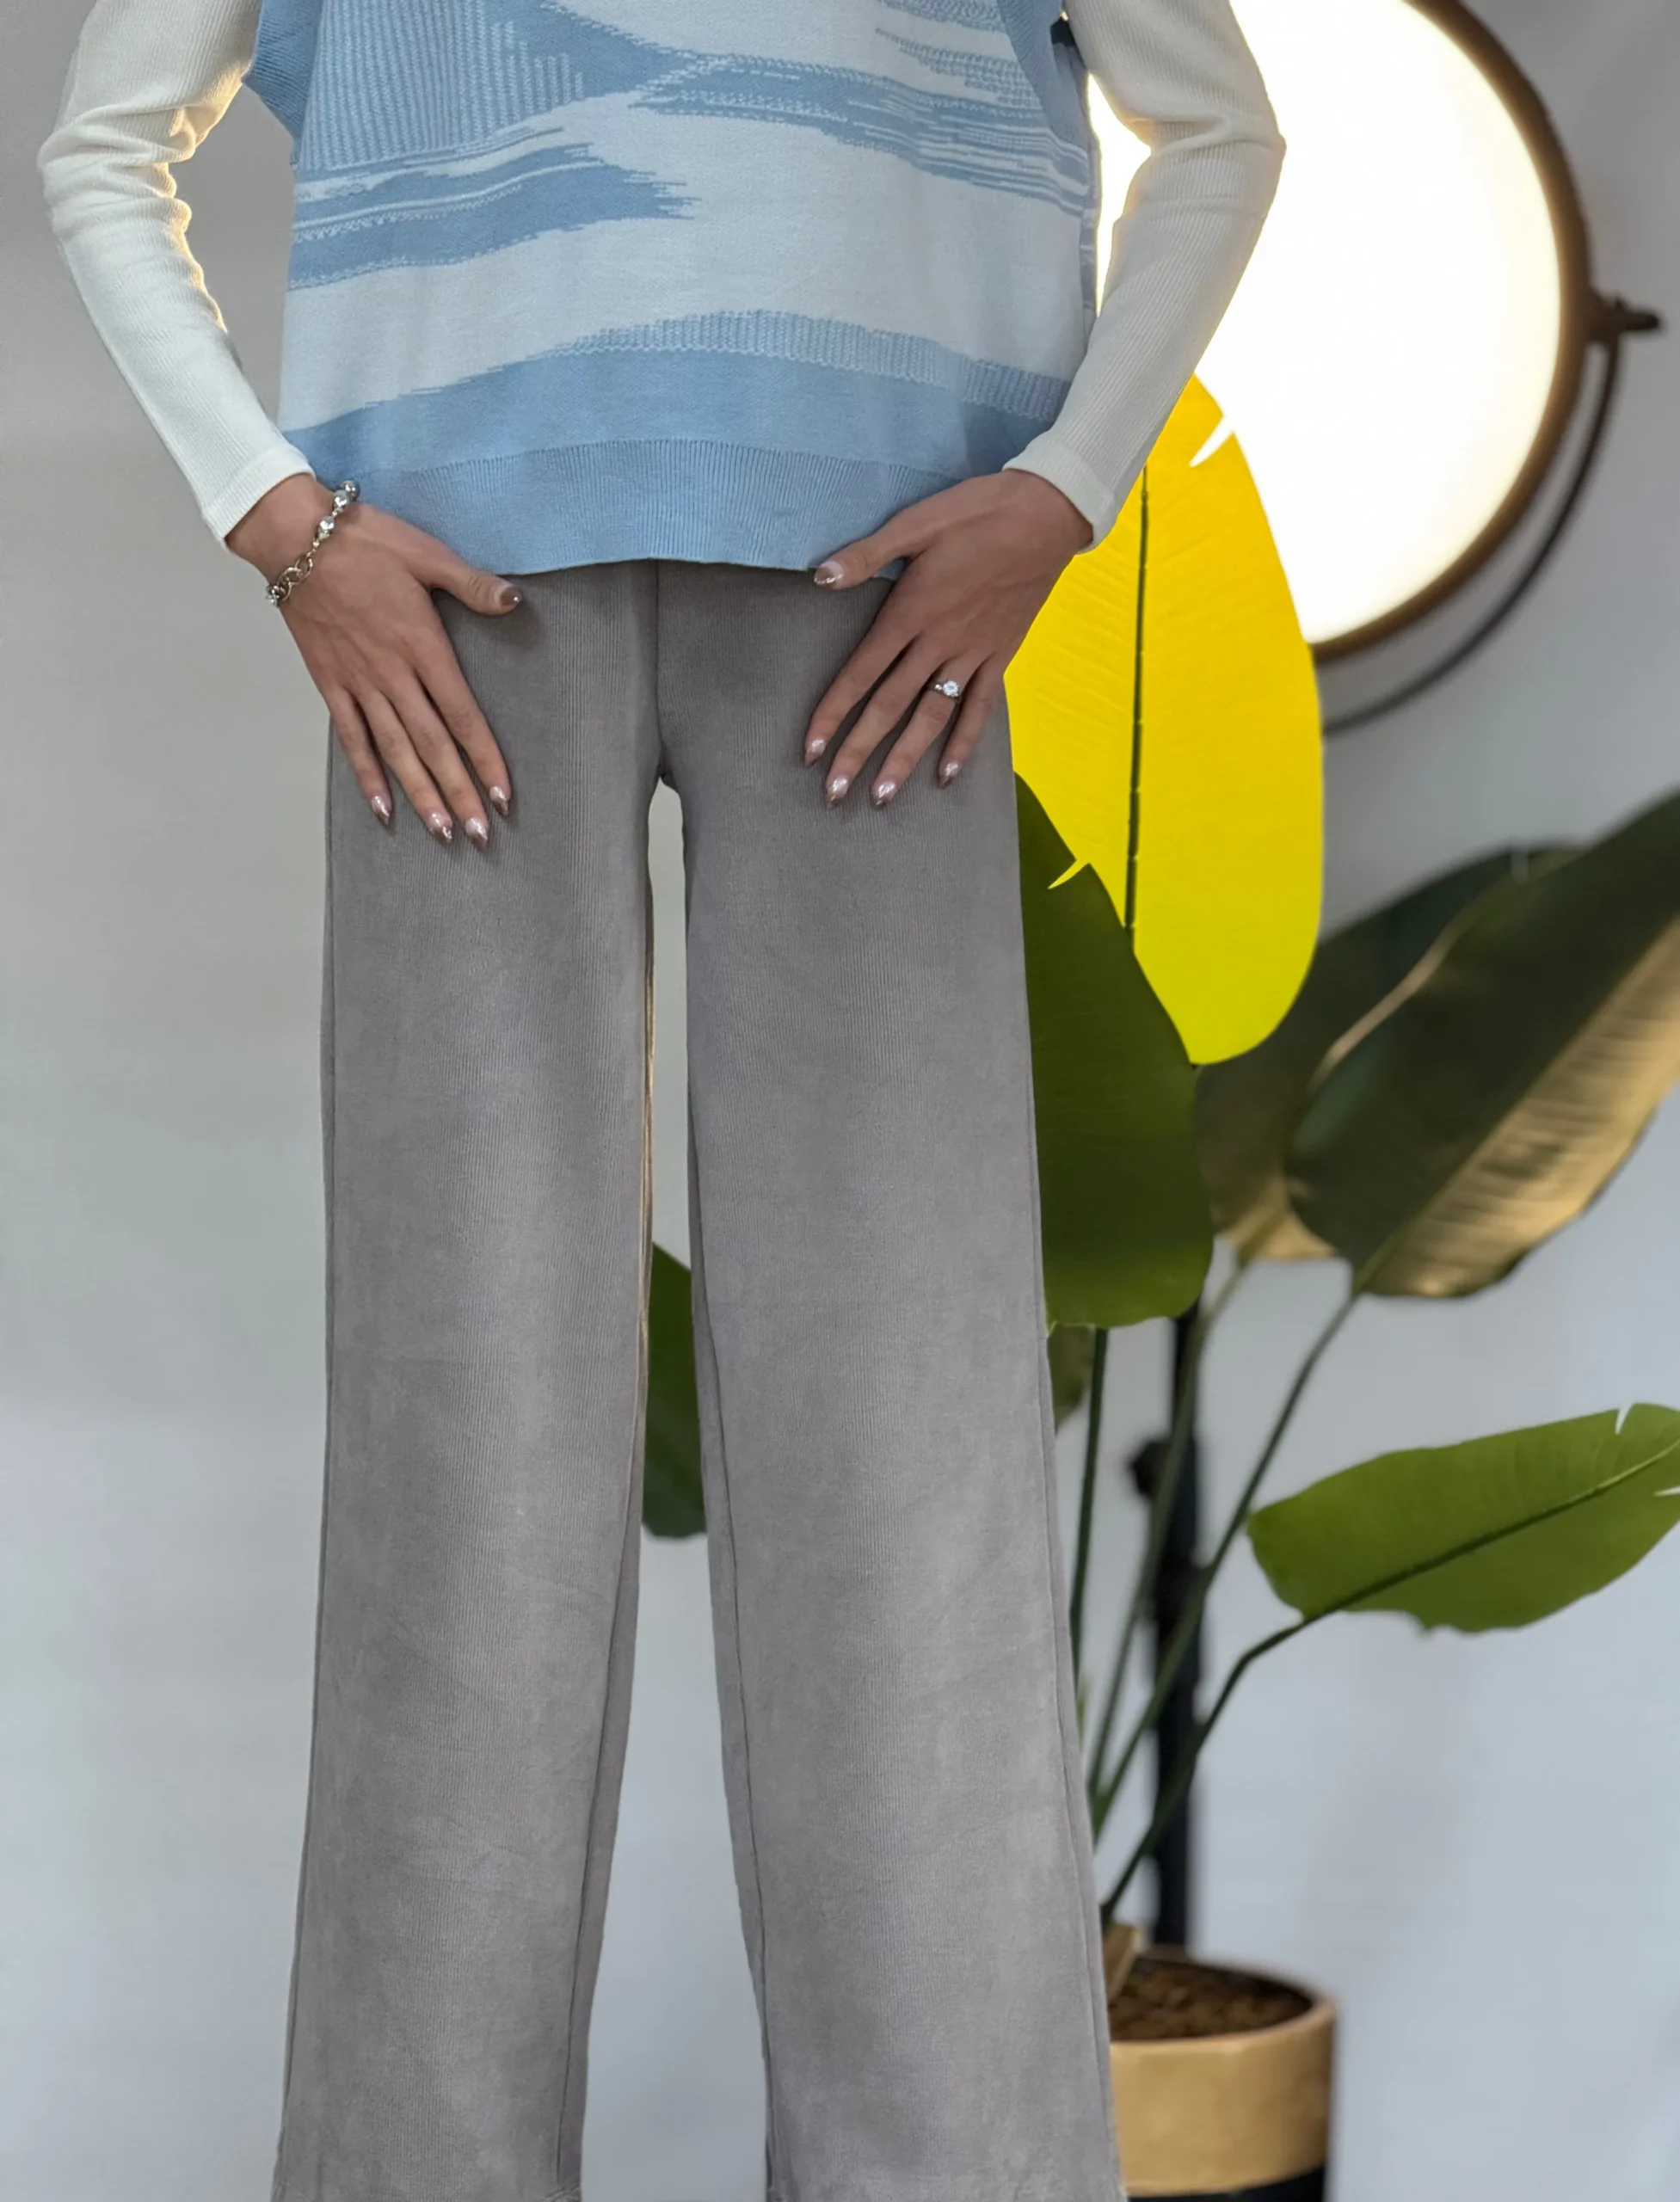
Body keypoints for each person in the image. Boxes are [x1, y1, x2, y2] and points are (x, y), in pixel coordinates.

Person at [40, 7, 1282, 2200]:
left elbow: (1222, 130)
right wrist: (284, 522)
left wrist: (1063, 491)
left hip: (887, 606)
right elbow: (98, 147)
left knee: (903, 1448)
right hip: (452, 606)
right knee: (466, 1449)